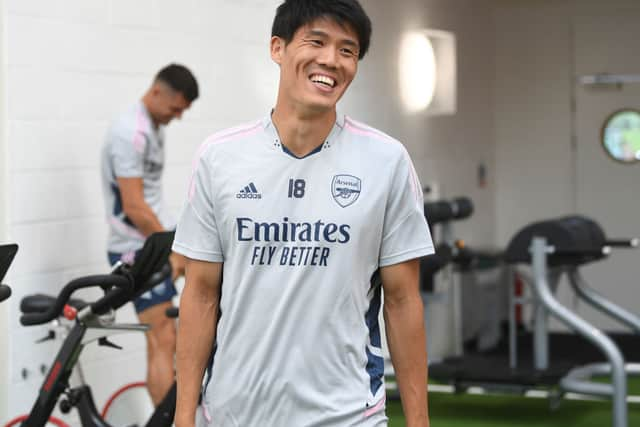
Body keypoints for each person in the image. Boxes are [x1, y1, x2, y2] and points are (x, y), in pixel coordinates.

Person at [173, 1, 433, 425]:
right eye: (317, 41)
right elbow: (200, 294)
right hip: (233, 413)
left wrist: (418, 421)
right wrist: (184, 416)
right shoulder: (219, 158)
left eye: (347, 50)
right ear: (278, 48)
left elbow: (402, 301)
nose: (331, 60)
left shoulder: (386, 161)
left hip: (348, 414)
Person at [101, 63, 198, 405]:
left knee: (204, 307)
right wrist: (170, 250)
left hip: (159, 237)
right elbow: (134, 206)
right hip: (136, 247)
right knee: (162, 336)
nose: (178, 117)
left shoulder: (154, 126)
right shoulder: (130, 132)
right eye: (175, 109)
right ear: (157, 92)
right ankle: (167, 418)